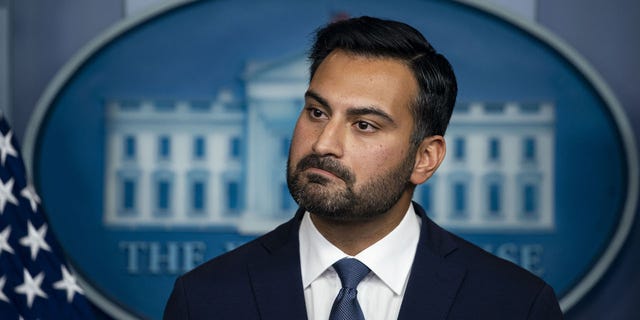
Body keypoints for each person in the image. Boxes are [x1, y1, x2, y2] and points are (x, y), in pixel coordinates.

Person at [163, 16, 563, 320]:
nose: (323, 144)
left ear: (425, 158)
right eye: (317, 112)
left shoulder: (516, 304)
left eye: (364, 125)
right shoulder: (203, 298)